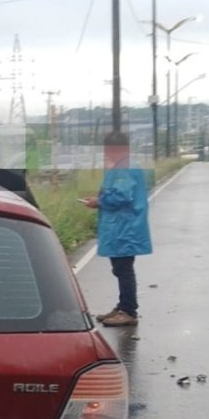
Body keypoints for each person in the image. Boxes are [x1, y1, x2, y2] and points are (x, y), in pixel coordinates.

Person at [80, 131, 152, 327]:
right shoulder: (124, 166)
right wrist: (99, 199)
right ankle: (123, 306)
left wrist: (98, 202)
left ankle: (128, 310)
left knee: (123, 269)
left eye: (108, 150)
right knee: (121, 269)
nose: (106, 153)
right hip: (123, 227)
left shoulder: (124, 168)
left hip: (124, 228)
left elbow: (121, 196)